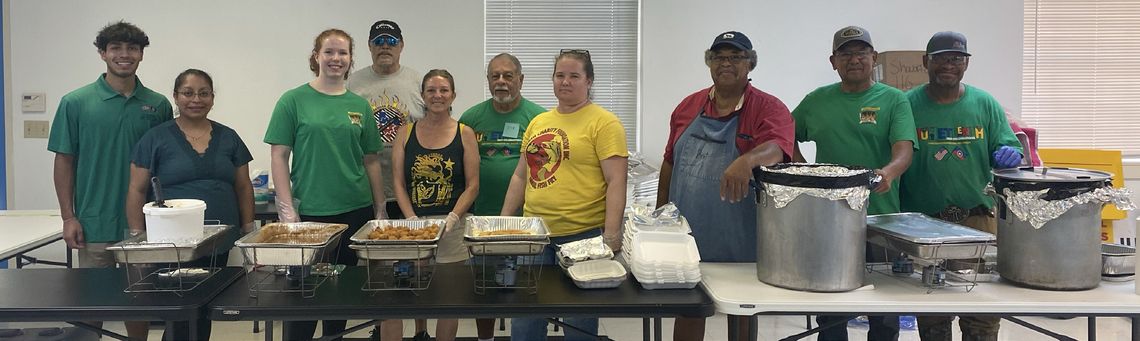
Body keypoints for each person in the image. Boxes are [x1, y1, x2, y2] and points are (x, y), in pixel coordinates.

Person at [657, 31, 794, 341]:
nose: (726, 63)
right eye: (719, 57)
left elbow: (778, 147)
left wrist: (747, 161)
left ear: (750, 64)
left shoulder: (768, 107)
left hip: (741, 242)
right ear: (709, 63)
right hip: (687, 240)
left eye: (736, 57)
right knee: (689, 312)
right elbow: (669, 162)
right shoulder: (687, 106)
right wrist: (660, 214)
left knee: (742, 316)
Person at [47, 21, 172, 341]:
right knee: (92, 303)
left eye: (132, 48)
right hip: (93, 223)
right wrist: (68, 216)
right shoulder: (75, 102)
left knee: (140, 301)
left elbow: (166, 163)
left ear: (142, 55)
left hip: (141, 226)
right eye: (116, 48)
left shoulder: (158, 105)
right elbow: (64, 162)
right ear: (102, 53)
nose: (124, 55)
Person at [790, 26, 915, 341]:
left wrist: (888, 172)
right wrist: (806, 173)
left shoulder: (894, 100)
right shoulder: (816, 101)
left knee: (884, 311)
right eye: (845, 53)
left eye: (861, 52)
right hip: (830, 219)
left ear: (873, 58)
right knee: (831, 309)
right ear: (833, 61)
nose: (854, 59)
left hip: (881, 219)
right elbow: (784, 136)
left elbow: (904, 151)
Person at [264, 28, 385, 341]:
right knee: (302, 294)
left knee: (339, 293)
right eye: (329, 52)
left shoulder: (359, 105)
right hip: (309, 215)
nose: (336, 59)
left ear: (350, 60)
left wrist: (380, 209)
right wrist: (287, 210)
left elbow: (371, 160)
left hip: (355, 211)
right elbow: (279, 156)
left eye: (342, 53)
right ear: (316, 56)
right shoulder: (293, 100)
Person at [900, 31, 1022, 341]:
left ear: (966, 64)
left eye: (956, 58)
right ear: (926, 62)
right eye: (940, 58)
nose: (948, 65)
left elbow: (1011, 146)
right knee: (932, 317)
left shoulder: (984, 103)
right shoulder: (906, 105)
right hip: (924, 226)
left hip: (977, 221)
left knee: (981, 314)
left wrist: (1010, 154)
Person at [501, 49, 628, 341]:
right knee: (526, 321)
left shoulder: (604, 123)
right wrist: (504, 223)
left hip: (584, 238)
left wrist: (611, 236)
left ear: (589, 81)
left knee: (578, 322)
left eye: (574, 76)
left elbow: (616, 181)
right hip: (534, 237)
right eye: (560, 75)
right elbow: (521, 175)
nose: (565, 82)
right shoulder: (539, 122)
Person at [125, 68, 255, 341]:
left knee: (203, 309)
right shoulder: (156, 138)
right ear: (175, 97)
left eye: (203, 93)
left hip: (218, 239)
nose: (196, 99)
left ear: (212, 98)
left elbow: (243, 186)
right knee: (178, 311)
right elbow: (137, 189)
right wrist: (138, 236)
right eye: (188, 93)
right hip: (172, 244)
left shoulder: (229, 136)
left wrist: (249, 228)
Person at [379, 69, 478, 341]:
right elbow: (398, 182)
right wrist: (412, 219)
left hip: (452, 228)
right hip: (411, 229)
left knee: (449, 300)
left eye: (444, 90)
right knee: (397, 298)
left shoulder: (464, 133)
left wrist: (453, 218)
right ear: (422, 95)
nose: (437, 96)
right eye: (431, 90)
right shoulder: (406, 132)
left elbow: (472, 185)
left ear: (453, 95)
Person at [458, 53, 545, 341]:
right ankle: (486, 339)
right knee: (483, 290)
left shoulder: (539, 118)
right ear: (488, 80)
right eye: (495, 76)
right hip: (482, 220)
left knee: (525, 291)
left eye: (508, 76)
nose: (501, 82)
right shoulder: (471, 119)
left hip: (526, 222)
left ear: (521, 79)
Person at [347, 19, 424, 219]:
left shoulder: (418, 82)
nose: (385, 46)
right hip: (366, 190)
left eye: (391, 40)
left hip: (410, 188)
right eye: (378, 41)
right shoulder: (352, 82)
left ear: (402, 45)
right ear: (369, 46)